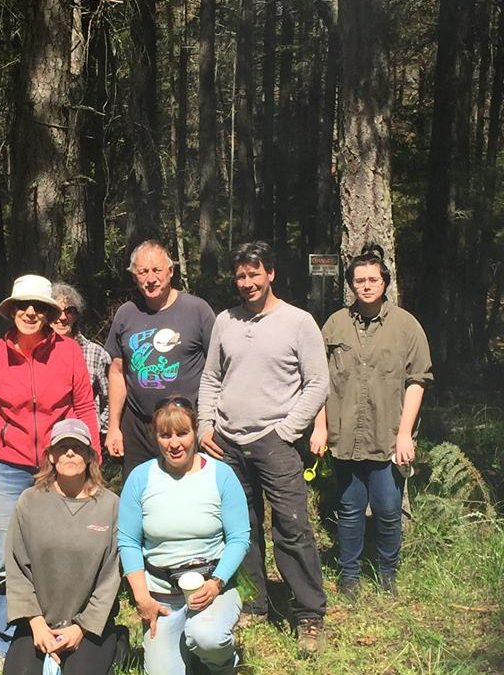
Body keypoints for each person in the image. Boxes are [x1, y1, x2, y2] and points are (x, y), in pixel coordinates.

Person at [197, 241, 329, 653]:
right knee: (242, 527)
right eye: (241, 276)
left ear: (270, 273)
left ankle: (309, 613)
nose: (248, 282)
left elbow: (318, 383)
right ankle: (253, 603)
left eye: (255, 274)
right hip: (228, 443)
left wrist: (288, 430)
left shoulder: (298, 322)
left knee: (291, 525)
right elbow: (211, 379)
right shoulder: (225, 321)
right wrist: (205, 425)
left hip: (276, 442)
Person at [0, 274, 101, 671]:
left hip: (57, 464)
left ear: (50, 313)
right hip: (7, 467)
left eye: (39, 307)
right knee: (2, 556)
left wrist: (90, 460)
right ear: (11, 310)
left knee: (60, 549)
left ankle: (59, 627)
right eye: (23, 306)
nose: (30, 312)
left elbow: (85, 408)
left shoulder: (69, 353)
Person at [310, 244, 433, 599]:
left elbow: (417, 380)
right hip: (345, 436)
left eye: (373, 279)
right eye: (359, 280)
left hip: (388, 435)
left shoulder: (406, 326)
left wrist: (405, 433)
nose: (366, 286)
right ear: (351, 284)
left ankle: (387, 574)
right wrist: (320, 426)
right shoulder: (335, 324)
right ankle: (349, 575)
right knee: (349, 509)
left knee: (387, 509)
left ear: (385, 282)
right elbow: (320, 380)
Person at [118, 396, 250, 675]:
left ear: (195, 433)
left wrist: (216, 583)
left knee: (207, 637)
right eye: (165, 435)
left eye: (182, 433)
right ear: (156, 438)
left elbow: (239, 537)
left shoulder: (221, 475)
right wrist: (142, 598)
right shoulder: (140, 478)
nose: (174, 443)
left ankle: (224, 664)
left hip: (214, 587)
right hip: (162, 597)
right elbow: (128, 541)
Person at [4, 419, 121, 675]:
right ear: (52, 457)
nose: (70, 452)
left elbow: (110, 577)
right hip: (37, 623)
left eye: (78, 448)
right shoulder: (30, 501)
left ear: (90, 457)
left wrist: (81, 628)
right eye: (63, 447)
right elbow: (16, 567)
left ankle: (114, 643)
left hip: (90, 627)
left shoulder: (110, 506)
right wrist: (36, 623)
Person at [105, 240, 215, 476]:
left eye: (157, 270)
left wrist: (210, 423)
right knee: (139, 491)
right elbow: (116, 371)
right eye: (143, 272)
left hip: (184, 425)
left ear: (171, 271)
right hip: (137, 427)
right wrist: (114, 427)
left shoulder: (197, 311)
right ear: (134, 277)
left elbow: (217, 370)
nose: (150, 279)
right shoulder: (126, 314)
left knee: (187, 491)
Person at [50, 282, 111, 439]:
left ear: (76, 315)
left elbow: (110, 398)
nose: (63, 317)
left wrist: (98, 429)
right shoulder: (35, 353)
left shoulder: (96, 353)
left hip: (83, 440)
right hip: (46, 439)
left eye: (69, 311)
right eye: (57, 311)